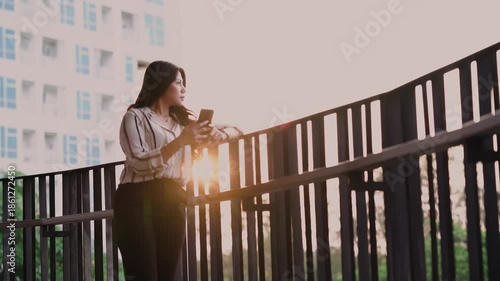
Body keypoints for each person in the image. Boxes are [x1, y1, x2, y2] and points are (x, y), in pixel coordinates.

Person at [112, 60, 243, 280]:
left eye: (184, 84)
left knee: (167, 275)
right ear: (161, 84)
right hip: (136, 198)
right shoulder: (135, 117)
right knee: (144, 274)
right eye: (178, 82)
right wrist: (181, 142)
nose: (184, 89)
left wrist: (221, 135)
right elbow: (137, 162)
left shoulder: (184, 124)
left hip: (172, 198)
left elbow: (237, 129)